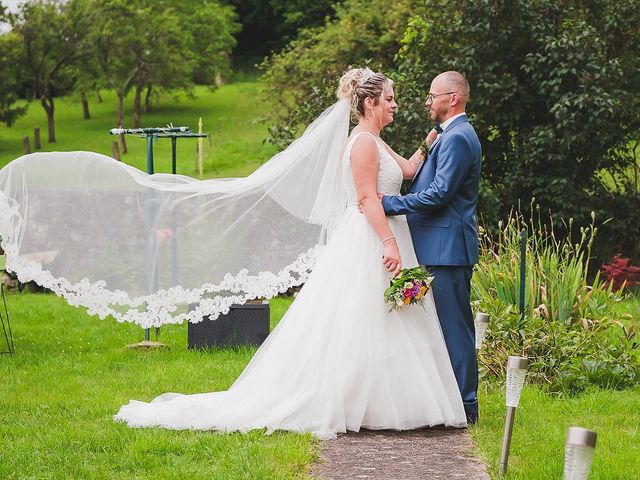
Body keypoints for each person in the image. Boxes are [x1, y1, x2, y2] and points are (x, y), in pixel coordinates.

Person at [113, 68, 467, 438]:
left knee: (385, 319)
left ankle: (383, 399)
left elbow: (408, 170)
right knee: (362, 318)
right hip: (371, 238)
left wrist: (432, 139)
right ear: (369, 102)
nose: (396, 104)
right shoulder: (362, 143)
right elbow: (366, 199)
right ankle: (354, 399)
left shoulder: (374, 140)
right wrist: (389, 243)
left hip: (383, 232)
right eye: (390, 98)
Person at [381, 71, 482, 424]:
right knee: (432, 328)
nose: (428, 101)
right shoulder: (446, 135)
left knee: (454, 328)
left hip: (447, 249)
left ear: (452, 98)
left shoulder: (457, 137)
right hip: (434, 247)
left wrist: (390, 204)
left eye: (432, 95)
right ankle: (444, 401)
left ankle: (466, 406)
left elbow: (440, 194)